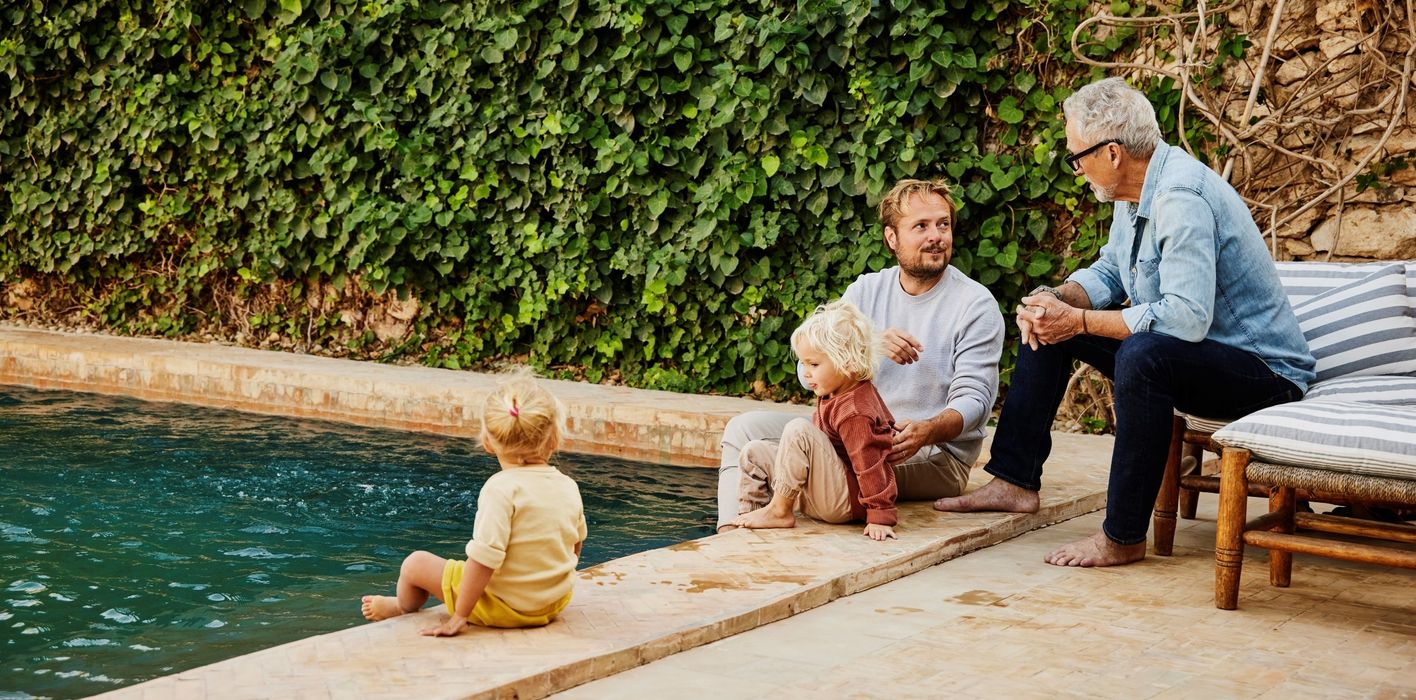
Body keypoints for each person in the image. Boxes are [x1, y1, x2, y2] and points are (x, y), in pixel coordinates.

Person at [935, 77, 1316, 567]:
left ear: (1112, 153)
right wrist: (1058, 301)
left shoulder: (1181, 198)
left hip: (1264, 374)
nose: (1075, 169)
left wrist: (1083, 322)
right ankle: (1013, 480)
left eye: (1077, 156)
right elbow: (1113, 269)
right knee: (1050, 326)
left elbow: (1185, 318)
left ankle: (1123, 535)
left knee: (1142, 353)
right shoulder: (1132, 193)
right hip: (1196, 356)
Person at [717, 178, 1005, 532]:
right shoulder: (866, 290)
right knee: (743, 428)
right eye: (921, 226)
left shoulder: (974, 304)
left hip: (930, 455)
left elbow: (976, 400)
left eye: (943, 224)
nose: (936, 236)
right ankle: (732, 528)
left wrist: (926, 431)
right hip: (850, 431)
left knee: (825, 455)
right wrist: (868, 346)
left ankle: (779, 512)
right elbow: (808, 370)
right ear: (891, 238)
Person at [359, 371, 587, 636]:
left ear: (488, 443)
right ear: (555, 439)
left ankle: (401, 606)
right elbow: (575, 545)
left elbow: (483, 560)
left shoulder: (500, 489)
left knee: (415, 564)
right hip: (553, 604)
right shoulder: (567, 485)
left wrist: (460, 616)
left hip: (503, 608)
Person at [733, 301, 900, 541]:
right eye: (804, 363)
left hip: (844, 502)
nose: (806, 372)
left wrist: (880, 516)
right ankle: (749, 519)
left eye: (814, 364)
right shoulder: (832, 391)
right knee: (753, 452)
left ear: (848, 363)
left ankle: (780, 512)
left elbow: (870, 462)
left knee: (798, 430)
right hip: (823, 491)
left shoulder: (855, 410)